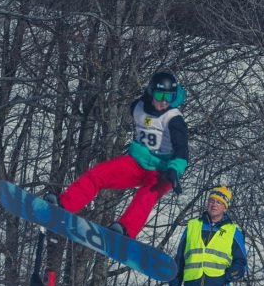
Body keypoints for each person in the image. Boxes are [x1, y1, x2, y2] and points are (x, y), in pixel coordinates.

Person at [58, 71, 189, 239]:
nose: (164, 101)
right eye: (160, 95)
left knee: (147, 195)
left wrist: (174, 170)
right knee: (100, 173)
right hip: (137, 163)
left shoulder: (174, 118)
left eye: (169, 97)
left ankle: (125, 230)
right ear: (151, 92)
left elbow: (182, 150)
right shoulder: (137, 107)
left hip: (163, 171)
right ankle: (66, 204)